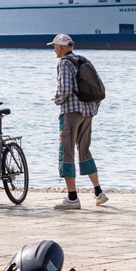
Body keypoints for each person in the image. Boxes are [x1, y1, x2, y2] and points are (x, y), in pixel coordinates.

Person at [48, 34, 105, 209]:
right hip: (88, 112)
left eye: (55, 47)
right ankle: (98, 192)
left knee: (66, 151)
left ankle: (72, 198)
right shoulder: (83, 60)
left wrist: (57, 99)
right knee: (84, 150)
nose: (54, 50)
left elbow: (64, 89)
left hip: (71, 112)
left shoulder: (64, 62)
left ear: (61, 47)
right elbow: (98, 86)